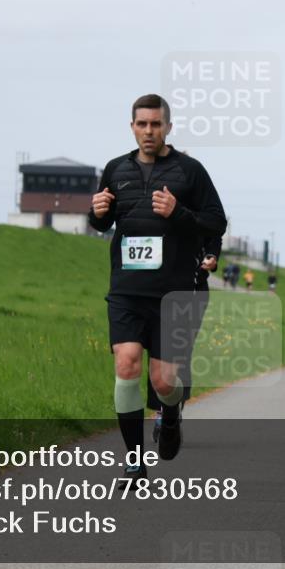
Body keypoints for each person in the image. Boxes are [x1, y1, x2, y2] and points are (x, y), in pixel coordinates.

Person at [89, 93, 226, 483]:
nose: (149, 131)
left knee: (165, 382)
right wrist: (96, 214)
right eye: (141, 124)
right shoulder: (116, 169)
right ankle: (134, 460)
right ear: (132, 126)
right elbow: (105, 222)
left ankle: (170, 411)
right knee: (126, 364)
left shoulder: (190, 171)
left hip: (173, 294)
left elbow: (216, 222)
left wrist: (178, 213)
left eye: (156, 124)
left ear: (168, 126)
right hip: (127, 290)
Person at [148, 235, 221, 442]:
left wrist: (212, 256)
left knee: (181, 352)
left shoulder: (201, 209)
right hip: (157, 289)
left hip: (194, 291)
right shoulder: (157, 207)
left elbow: (214, 236)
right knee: (158, 351)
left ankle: (172, 410)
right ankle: (162, 410)